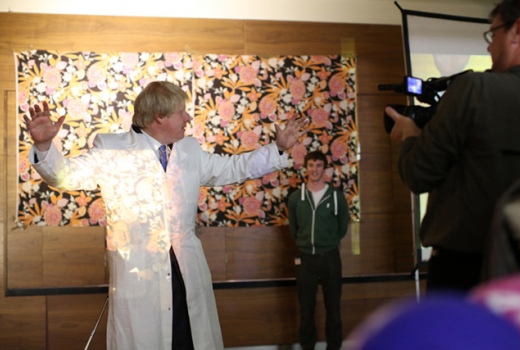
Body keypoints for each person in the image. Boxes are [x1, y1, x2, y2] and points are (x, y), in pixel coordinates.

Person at [23, 81, 309, 350]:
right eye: (181, 112)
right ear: (160, 116)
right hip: (140, 276)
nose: (187, 118)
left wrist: (279, 149)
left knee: (189, 339)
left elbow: (233, 167)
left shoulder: (190, 150)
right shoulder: (111, 148)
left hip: (186, 274)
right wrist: (45, 147)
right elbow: (65, 176)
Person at [386, 0, 520, 292]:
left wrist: (411, 134)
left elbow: (418, 174)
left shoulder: (475, 89)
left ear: (518, 31)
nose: (489, 47)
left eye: (494, 34)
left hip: (464, 274)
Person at [287, 151, 349, 350]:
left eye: (319, 165)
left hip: (330, 258)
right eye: (311, 165)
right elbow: (293, 228)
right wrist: (304, 243)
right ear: (306, 168)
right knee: (306, 311)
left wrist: (330, 242)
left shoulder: (336, 196)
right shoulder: (296, 197)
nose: (315, 169)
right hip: (306, 260)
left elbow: (342, 225)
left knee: (334, 310)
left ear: (325, 169)